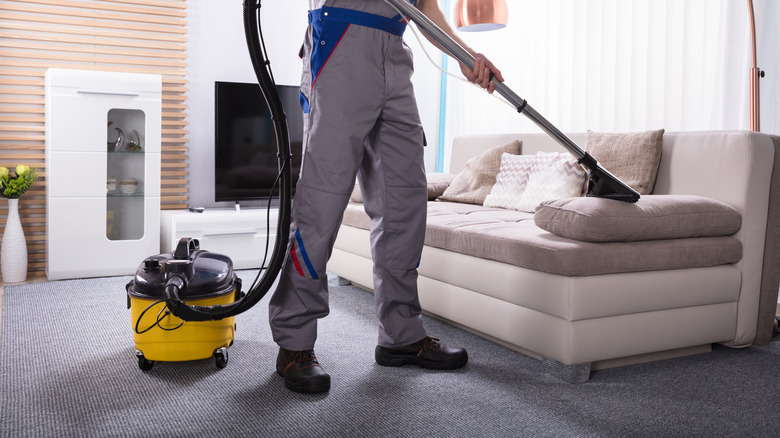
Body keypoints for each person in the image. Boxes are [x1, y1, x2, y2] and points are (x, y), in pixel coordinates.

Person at [269, 0, 504, 393]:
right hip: (340, 44)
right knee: (321, 203)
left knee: (405, 203)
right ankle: (294, 343)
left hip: (395, 55)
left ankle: (401, 335)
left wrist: (464, 56)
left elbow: (425, 6)